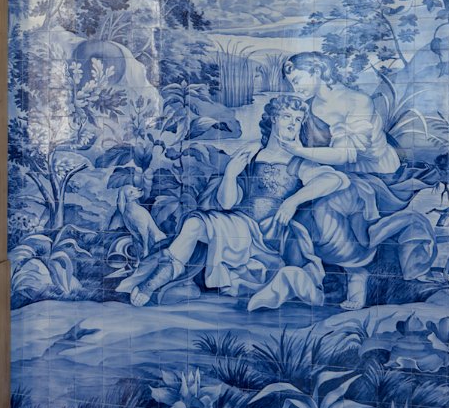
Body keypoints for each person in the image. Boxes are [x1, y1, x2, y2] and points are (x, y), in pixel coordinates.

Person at [117, 95, 348, 311]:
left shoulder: (300, 161)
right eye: (287, 117)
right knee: (194, 224)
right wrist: (230, 174)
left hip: (268, 233)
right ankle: (154, 282)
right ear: (273, 119)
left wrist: (293, 201)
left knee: (199, 227)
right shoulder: (252, 154)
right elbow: (227, 204)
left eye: (297, 120)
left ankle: (156, 283)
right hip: (239, 223)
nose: (292, 124)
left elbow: (337, 179)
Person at [281, 52, 449, 306]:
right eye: (291, 84)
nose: (295, 89)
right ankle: (322, 276)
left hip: (378, 176)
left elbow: (349, 153)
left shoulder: (357, 101)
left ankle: (356, 273)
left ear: (316, 71)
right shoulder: (311, 106)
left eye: (298, 80)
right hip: (339, 173)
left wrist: (298, 151)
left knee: (327, 208)